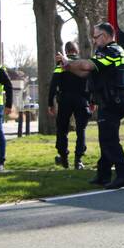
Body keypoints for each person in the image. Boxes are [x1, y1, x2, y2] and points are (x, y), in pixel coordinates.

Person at [57, 22, 124, 189]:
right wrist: (68, 67)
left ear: (105, 37)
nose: (94, 40)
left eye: (96, 37)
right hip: (111, 100)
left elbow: (86, 65)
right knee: (105, 138)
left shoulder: (112, 51)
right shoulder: (107, 52)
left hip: (113, 101)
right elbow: (85, 72)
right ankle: (103, 174)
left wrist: (67, 61)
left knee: (109, 139)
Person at [49, 41, 90, 169]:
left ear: (66, 51)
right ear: (76, 50)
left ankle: (64, 157)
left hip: (65, 100)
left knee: (62, 130)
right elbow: (90, 83)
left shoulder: (61, 65)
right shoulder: (82, 64)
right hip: (81, 99)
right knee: (80, 130)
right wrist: (92, 101)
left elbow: (53, 85)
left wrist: (50, 103)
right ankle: (78, 160)